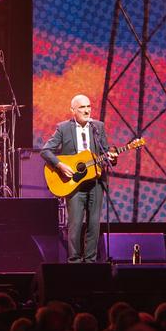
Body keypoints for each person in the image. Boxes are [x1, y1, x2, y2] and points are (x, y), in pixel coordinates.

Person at [41, 94, 116, 263]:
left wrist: (112, 157)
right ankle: (74, 262)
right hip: (73, 183)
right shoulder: (63, 128)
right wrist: (60, 165)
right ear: (72, 110)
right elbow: (46, 151)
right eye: (82, 107)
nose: (87, 110)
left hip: (96, 181)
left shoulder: (98, 127)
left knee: (94, 224)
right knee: (75, 224)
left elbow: (105, 152)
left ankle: (90, 261)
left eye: (88, 106)